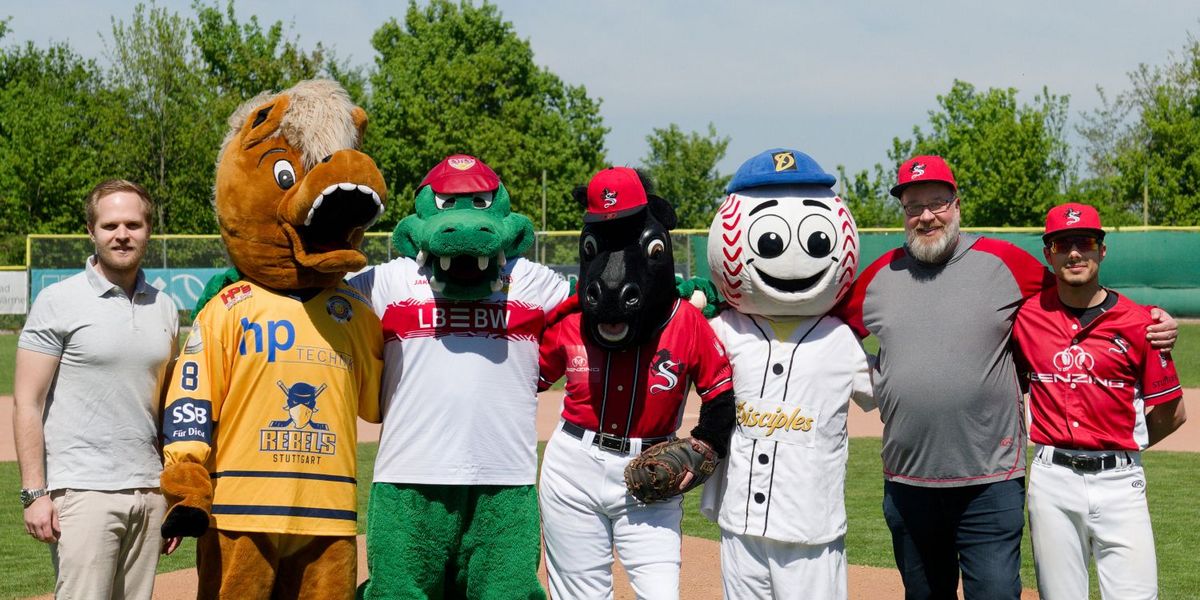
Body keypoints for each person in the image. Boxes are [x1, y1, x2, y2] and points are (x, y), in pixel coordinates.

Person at [839, 156, 1177, 599]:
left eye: (937, 203)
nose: (926, 216)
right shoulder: (882, 274)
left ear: (956, 205)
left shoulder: (1004, 262)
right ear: (903, 213)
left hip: (991, 479)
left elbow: (1078, 289)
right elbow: (830, 326)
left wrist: (1146, 318)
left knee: (997, 593)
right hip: (907, 478)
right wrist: (870, 382)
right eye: (913, 206)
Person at [13, 179, 179, 599]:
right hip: (83, 491)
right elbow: (27, 402)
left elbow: (168, 405)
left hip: (150, 490)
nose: (122, 234)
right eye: (110, 225)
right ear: (91, 231)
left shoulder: (165, 307)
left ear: (148, 229)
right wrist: (34, 494)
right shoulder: (57, 300)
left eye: (133, 224)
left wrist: (173, 496)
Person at [1012, 202, 1185, 600]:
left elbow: (1173, 413)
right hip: (1052, 480)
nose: (1075, 253)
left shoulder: (1141, 322)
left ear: (1102, 250)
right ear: (1049, 254)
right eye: (1063, 244)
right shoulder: (1027, 317)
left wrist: (1120, 444)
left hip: (1120, 482)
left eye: (1085, 242)